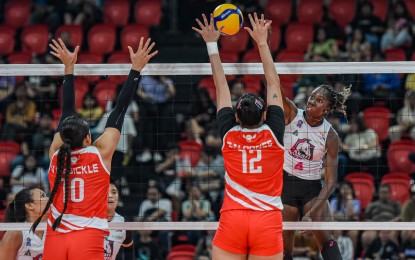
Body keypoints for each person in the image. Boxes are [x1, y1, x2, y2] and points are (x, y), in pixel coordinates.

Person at [30, 37, 157, 260]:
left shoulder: (55, 156)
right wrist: (135, 69)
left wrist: (68, 67)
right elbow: (119, 111)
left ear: (62, 137)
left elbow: (67, 112)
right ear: (89, 138)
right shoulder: (100, 153)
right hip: (88, 236)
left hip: (57, 234)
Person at [193, 13, 285, 259]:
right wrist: (262, 42)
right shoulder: (274, 132)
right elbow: (273, 84)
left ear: (236, 117)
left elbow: (220, 86)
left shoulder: (229, 134)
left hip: (233, 217)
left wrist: (211, 44)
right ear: (265, 115)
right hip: (266, 220)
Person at [281, 57, 351, 259]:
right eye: (312, 97)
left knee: (326, 239)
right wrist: (264, 45)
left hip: (311, 188)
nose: (312, 101)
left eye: (319, 100)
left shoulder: (331, 136)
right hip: (286, 184)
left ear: (327, 110)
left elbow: (330, 181)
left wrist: (313, 212)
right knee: (285, 249)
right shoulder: (293, 114)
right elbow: (273, 85)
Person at [0, 188, 49, 259]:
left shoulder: (54, 228)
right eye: (42, 196)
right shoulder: (15, 234)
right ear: (30, 205)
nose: (48, 198)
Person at [104, 182, 134, 260]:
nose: (110, 196)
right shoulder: (88, 220)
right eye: (106, 192)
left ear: (118, 198)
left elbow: (129, 252)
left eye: (114, 192)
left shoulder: (123, 223)